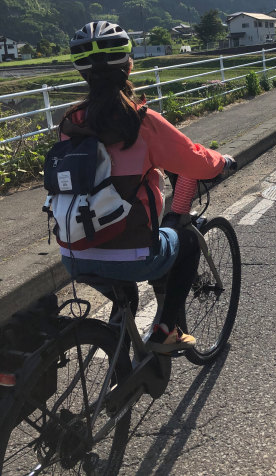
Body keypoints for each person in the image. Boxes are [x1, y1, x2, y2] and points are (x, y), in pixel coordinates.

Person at [57, 20, 236, 353]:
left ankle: (119, 365)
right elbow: (193, 159)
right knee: (187, 239)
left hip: (73, 253)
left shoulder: (70, 122)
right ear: (129, 65)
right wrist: (223, 162)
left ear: (83, 73)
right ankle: (168, 330)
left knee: (125, 290)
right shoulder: (140, 120)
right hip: (135, 253)